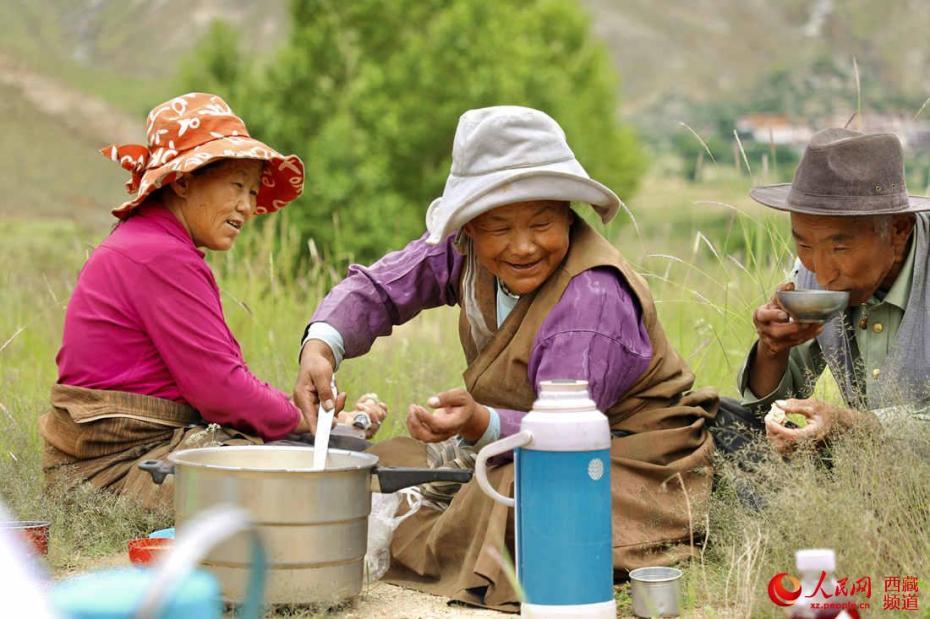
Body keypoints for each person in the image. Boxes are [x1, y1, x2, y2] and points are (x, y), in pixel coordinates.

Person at [294, 106, 716, 612]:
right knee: (385, 463)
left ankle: (427, 537)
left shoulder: (592, 299)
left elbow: (566, 432)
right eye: (498, 228)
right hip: (519, 445)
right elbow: (382, 288)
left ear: (568, 212)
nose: (523, 246)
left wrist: (480, 423)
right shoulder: (464, 250)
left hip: (621, 459)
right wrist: (322, 344)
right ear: (469, 228)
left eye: (542, 222)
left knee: (512, 502)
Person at [40, 93, 385, 509]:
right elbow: (223, 392)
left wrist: (310, 423)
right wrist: (305, 422)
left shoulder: (150, 243)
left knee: (297, 461)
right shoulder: (159, 255)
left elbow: (222, 385)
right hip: (113, 471)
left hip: (120, 461)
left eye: (253, 191)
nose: (248, 206)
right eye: (237, 186)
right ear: (183, 181)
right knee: (304, 486)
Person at [711, 128, 930, 456]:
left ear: (898, 229)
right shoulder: (810, 273)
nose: (823, 273)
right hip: (861, 465)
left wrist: (850, 426)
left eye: (840, 247)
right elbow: (766, 412)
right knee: (713, 420)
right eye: (804, 244)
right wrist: (772, 349)